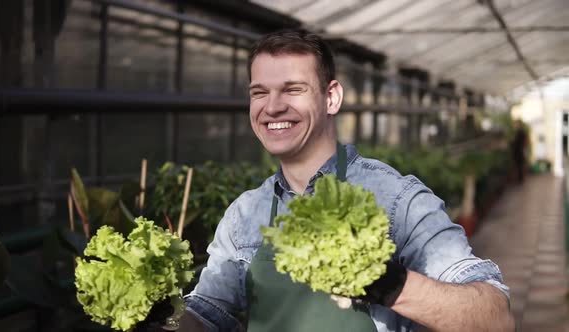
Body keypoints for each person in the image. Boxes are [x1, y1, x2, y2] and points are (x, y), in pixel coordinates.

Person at [175, 29, 514, 332]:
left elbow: (495, 319)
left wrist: (388, 283)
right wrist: (159, 316)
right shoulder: (245, 213)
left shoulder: (396, 199)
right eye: (259, 92)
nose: (272, 107)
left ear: (331, 97)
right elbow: (209, 315)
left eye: (293, 89)